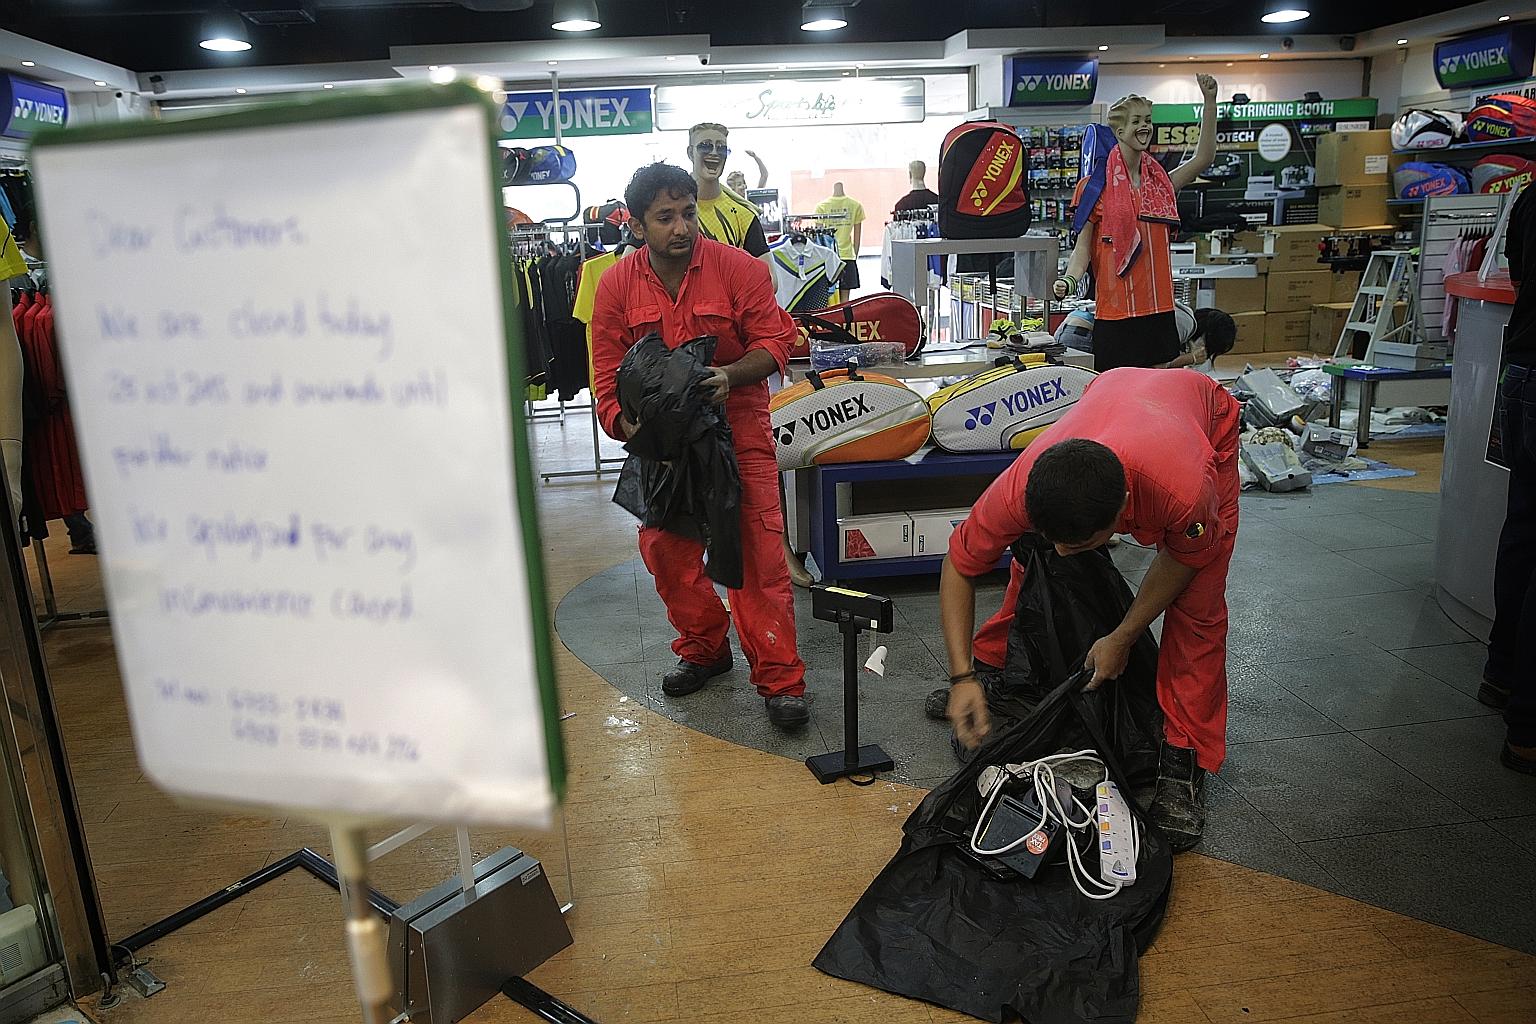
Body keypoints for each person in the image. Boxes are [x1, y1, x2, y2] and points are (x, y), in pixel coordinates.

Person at [938, 368, 1241, 851]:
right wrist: (962, 678)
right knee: (1034, 563)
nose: (1063, 552)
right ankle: (993, 670)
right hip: (1111, 394)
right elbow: (959, 564)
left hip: (1198, 415)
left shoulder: (1184, 493)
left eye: (1081, 543)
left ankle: (1184, 758)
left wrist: (1122, 637)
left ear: (1124, 510)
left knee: (1197, 612)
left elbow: (1185, 559)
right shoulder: (1018, 489)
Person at [590, 162, 811, 729]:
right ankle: (706, 647)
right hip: (663, 445)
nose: (681, 227)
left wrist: (730, 376)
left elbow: (775, 342)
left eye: (688, 213)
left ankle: (781, 681)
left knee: (758, 556)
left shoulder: (739, 269)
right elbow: (606, 372)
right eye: (665, 217)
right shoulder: (615, 285)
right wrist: (623, 424)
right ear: (637, 225)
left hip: (738, 430)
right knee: (666, 553)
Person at [1054, 76, 1219, 372]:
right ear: (1119, 131)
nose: (1144, 127)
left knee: (1156, 387)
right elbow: (1083, 249)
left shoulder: (1162, 186)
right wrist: (1069, 280)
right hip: (1116, 313)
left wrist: (1210, 102)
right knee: (1117, 389)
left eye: (1148, 120)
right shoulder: (1093, 188)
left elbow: (1204, 158)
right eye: (1136, 121)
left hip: (1159, 310)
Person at [1487, 180, 1536, 776]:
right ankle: (1527, 726)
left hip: (1523, 369)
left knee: (1522, 533)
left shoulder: (1528, 197)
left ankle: (1501, 673)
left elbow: (1518, 276)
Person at [1055, 301, 1236, 369]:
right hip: (1085, 336)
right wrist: (1191, 359)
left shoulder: (1181, 315)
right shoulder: (1185, 323)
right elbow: (1153, 365)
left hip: (1075, 328)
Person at [687, 123, 770, 260]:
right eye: (705, 146)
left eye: (721, 148)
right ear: (690, 153)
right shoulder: (674, 210)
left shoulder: (744, 215)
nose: (714, 153)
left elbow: (767, 271)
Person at [815, 183, 866, 299]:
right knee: (845, 300)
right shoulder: (855, 206)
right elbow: (857, 236)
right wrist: (855, 255)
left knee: (827, 298)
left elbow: (819, 237)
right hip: (847, 256)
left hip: (828, 257)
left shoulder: (822, 207)